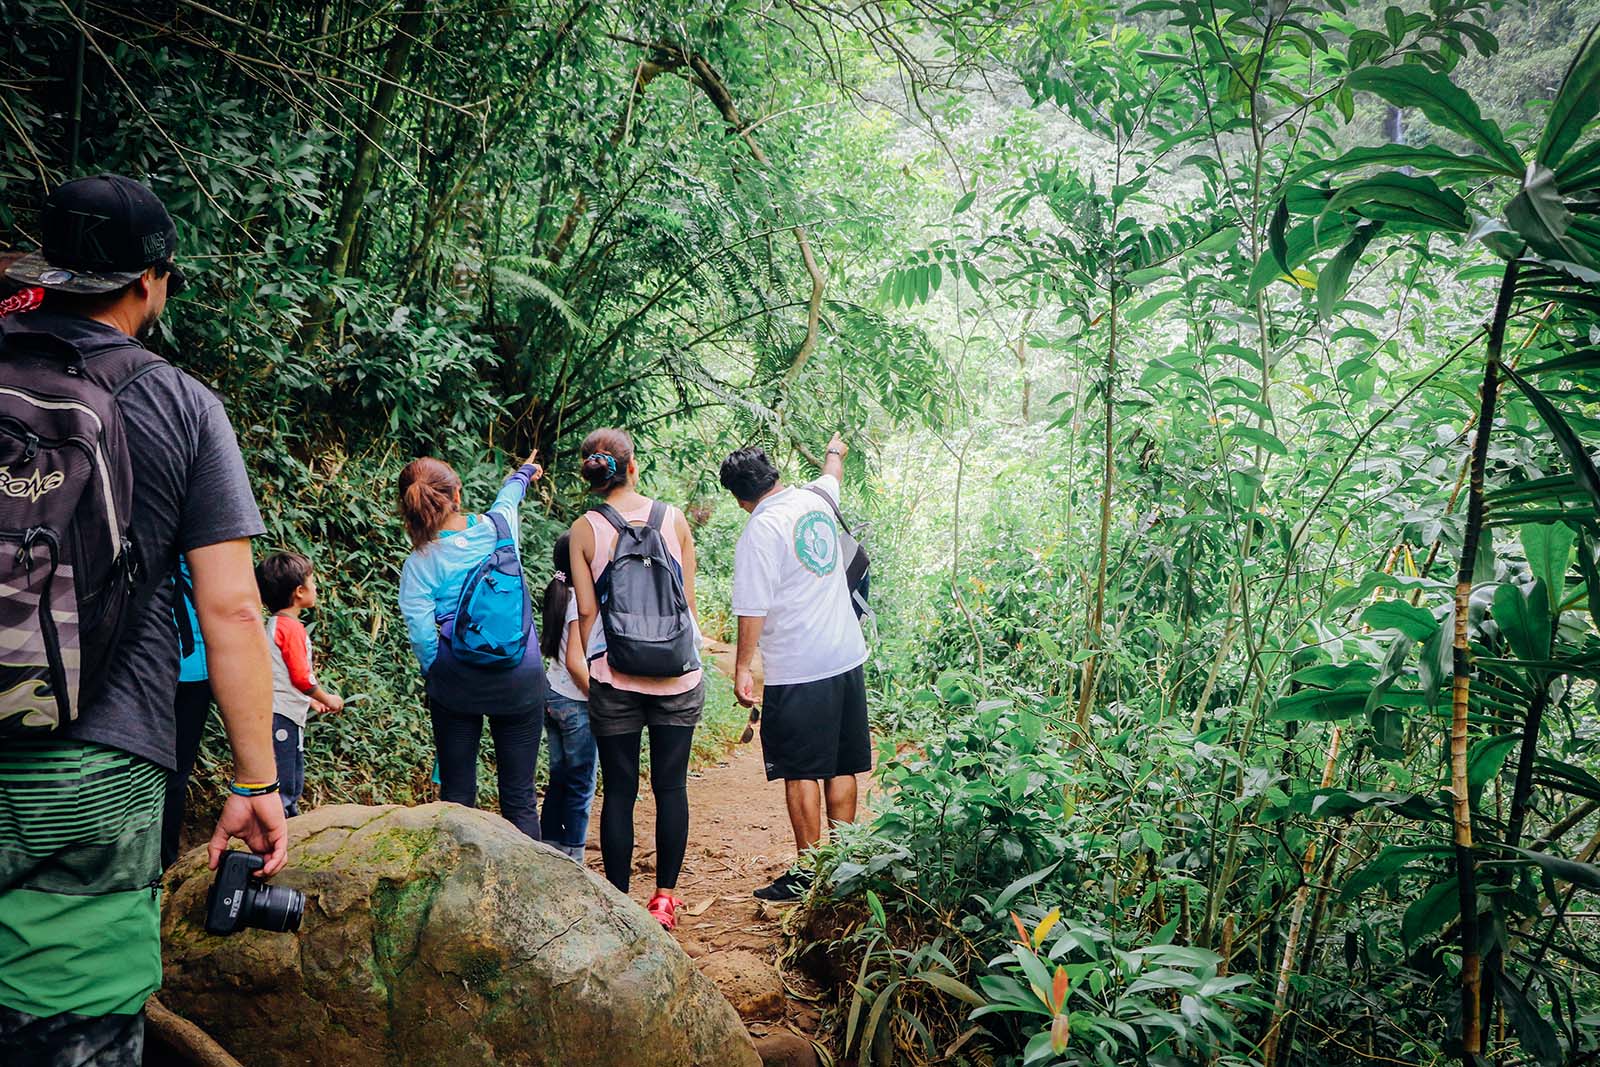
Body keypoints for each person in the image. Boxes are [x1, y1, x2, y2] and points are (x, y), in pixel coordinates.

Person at [0, 174, 286, 1066]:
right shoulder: (179, 404)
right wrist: (254, 781)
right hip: (96, 758)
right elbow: (234, 606)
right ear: (151, 281)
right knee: (71, 1020)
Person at [721, 434, 870, 902]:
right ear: (775, 477)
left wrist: (744, 666)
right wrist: (835, 449)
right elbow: (833, 473)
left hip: (798, 667)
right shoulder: (814, 499)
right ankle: (843, 865)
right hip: (846, 654)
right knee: (842, 761)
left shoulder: (759, 531)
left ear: (741, 498)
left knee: (800, 769)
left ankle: (808, 873)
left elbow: (752, 608)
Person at [568, 428, 703, 929]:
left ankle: (621, 902)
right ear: (633, 466)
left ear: (593, 472)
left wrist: (601, 662)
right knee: (671, 787)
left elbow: (585, 611)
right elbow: (686, 603)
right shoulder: (674, 519)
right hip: (677, 677)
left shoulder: (584, 528)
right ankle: (664, 900)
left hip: (614, 676)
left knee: (620, 790)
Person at [397, 453, 546, 840]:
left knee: (458, 797)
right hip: (519, 676)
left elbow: (421, 632)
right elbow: (509, 497)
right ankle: (532, 890)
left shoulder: (421, 561)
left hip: (458, 683)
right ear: (457, 493)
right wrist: (525, 473)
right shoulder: (500, 527)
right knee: (519, 798)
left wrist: (437, 673)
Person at [256, 552, 344, 817]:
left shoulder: (276, 624)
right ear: (299, 592)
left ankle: (288, 813)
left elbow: (281, 674)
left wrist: (310, 700)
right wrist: (326, 697)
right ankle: (284, 818)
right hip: (282, 714)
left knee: (290, 765)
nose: (316, 588)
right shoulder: (291, 629)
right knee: (287, 773)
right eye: (313, 583)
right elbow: (301, 677)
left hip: (282, 709)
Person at [539, 532, 597, 862]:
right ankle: (574, 860)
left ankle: (549, 850)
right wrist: (598, 698)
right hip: (575, 700)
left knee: (559, 779)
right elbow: (577, 661)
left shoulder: (559, 591)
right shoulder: (579, 600)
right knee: (580, 784)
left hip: (552, 692)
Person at [161, 555, 214, 868]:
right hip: (192, 670)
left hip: (145, 663)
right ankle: (162, 865)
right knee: (175, 775)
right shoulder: (200, 533)